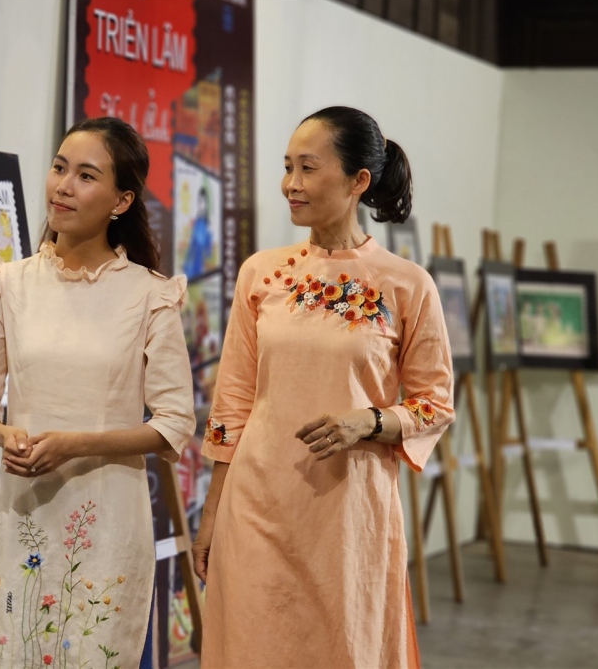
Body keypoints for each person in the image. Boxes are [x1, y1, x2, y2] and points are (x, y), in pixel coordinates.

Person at [191, 106, 454, 668]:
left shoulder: (407, 286)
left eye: (308, 168)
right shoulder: (261, 274)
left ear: (359, 181)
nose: (291, 184)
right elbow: (232, 401)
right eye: (288, 167)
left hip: (348, 514)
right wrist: (212, 510)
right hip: (256, 504)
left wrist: (369, 422)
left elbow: (434, 404)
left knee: (341, 648)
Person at [0, 117, 194, 669]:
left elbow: (173, 425)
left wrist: (76, 444)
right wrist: (3, 432)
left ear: (121, 200)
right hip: (21, 514)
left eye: (86, 175)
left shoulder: (150, 296)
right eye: (60, 168)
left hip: (108, 521)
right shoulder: (8, 284)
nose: (63, 186)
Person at [182, 186, 213, 279]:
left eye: (203, 202)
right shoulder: (197, 222)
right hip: (193, 259)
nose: (201, 205)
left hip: (199, 261)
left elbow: (207, 247)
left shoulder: (206, 224)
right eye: (199, 201)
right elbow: (192, 243)